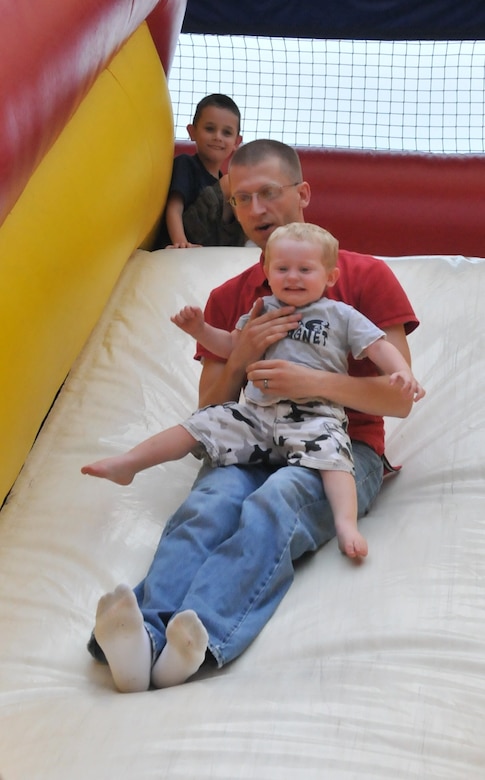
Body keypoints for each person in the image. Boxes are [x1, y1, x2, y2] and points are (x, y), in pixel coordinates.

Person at [86, 139, 421, 694]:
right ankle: (141, 637)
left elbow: (399, 397)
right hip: (255, 435)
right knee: (211, 504)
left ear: (302, 193)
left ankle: (199, 637)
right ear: (232, 207)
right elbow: (209, 411)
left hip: (337, 445)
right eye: (243, 199)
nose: (258, 209)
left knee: (276, 501)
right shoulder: (234, 297)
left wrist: (310, 382)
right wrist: (242, 355)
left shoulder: (360, 279)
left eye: (269, 192)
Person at [82, 222, 424, 561]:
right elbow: (230, 344)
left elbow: (379, 347)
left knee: (332, 458)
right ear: (267, 271)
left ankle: (346, 523)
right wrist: (200, 330)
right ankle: (130, 463)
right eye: (283, 269)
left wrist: (402, 372)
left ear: (330, 277)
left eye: (305, 270)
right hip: (257, 416)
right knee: (201, 423)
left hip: (313, 418)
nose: (293, 277)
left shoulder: (341, 315)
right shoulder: (261, 310)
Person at [154, 93, 245, 249]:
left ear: (236, 142)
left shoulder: (222, 184)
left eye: (226, 133)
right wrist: (180, 241)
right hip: (186, 236)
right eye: (210, 129)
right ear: (192, 132)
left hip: (214, 242)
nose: (218, 137)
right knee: (232, 183)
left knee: (242, 192)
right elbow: (174, 208)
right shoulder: (186, 164)